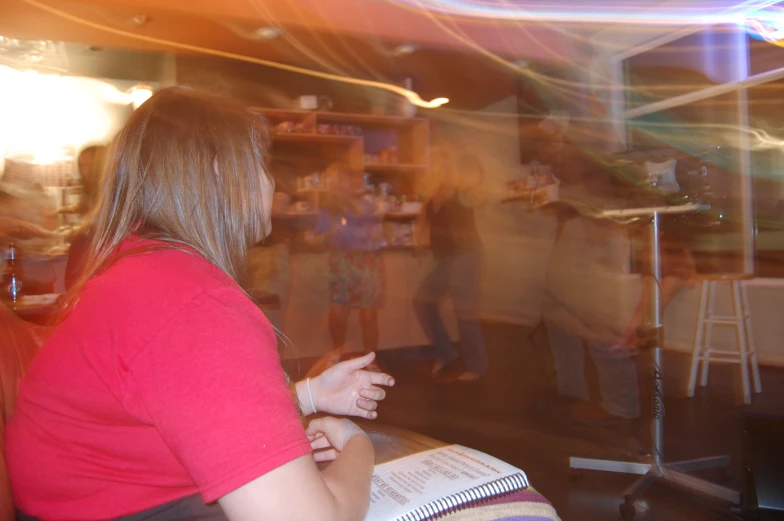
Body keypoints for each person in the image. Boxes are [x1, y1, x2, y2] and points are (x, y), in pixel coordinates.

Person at [5, 87, 394, 521]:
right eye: (260, 164)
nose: (271, 182)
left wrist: (307, 394)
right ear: (219, 173)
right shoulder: (195, 304)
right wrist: (358, 446)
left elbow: (163, 413)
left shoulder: (141, 269)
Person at [413, 145, 487, 382]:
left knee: (464, 311)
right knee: (422, 302)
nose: (440, 169)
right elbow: (424, 222)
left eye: (445, 165)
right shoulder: (432, 195)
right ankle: (447, 354)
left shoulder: (461, 192)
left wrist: (473, 163)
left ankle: (477, 367)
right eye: (436, 165)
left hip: (467, 254)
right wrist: (418, 241)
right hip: (446, 258)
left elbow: (477, 187)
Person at [314, 162, 386, 363]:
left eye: (347, 179)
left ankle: (370, 359)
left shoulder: (366, 202)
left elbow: (379, 233)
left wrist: (379, 219)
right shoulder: (328, 208)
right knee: (338, 314)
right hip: (341, 261)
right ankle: (337, 354)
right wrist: (332, 231)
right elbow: (316, 239)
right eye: (340, 181)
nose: (345, 184)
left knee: (368, 315)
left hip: (368, 260)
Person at [64, 144, 107, 291]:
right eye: (82, 165)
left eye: (91, 165)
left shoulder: (108, 191)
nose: (86, 170)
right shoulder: (88, 192)